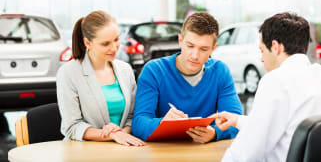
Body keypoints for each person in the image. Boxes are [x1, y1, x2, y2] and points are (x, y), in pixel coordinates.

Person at [211, 12, 321, 161]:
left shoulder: (276, 81)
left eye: (262, 50)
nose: (262, 59)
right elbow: (289, 125)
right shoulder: (316, 75)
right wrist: (238, 120)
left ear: (275, 47)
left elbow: (246, 153)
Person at [131, 12, 243, 143]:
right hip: (162, 152)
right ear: (180, 41)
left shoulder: (220, 71)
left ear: (213, 49)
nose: (195, 55)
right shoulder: (154, 71)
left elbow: (235, 120)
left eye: (203, 49)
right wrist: (162, 123)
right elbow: (139, 123)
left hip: (204, 153)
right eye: (190, 46)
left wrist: (214, 133)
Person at [56, 10, 144, 146]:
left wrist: (121, 133)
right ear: (88, 43)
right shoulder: (68, 73)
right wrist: (112, 134)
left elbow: (132, 117)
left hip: (122, 148)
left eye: (116, 39)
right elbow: (72, 127)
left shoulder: (125, 70)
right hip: (83, 151)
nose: (114, 47)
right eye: (105, 44)